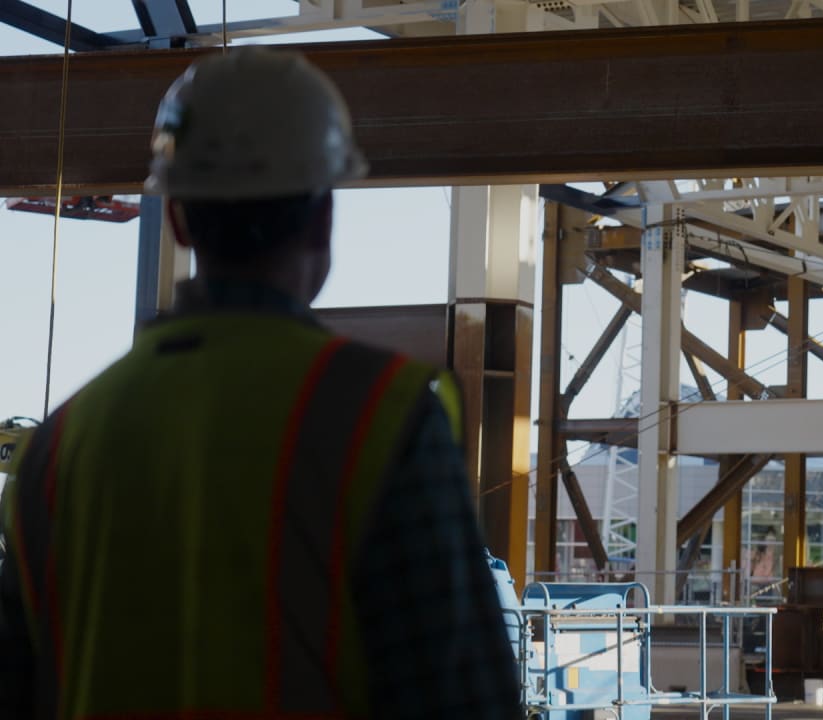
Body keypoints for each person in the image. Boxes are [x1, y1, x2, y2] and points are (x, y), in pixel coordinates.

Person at [0, 47, 520, 719]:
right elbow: (461, 700)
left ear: (180, 218)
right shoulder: (381, 418)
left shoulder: (59, 443)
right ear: (324, 215)